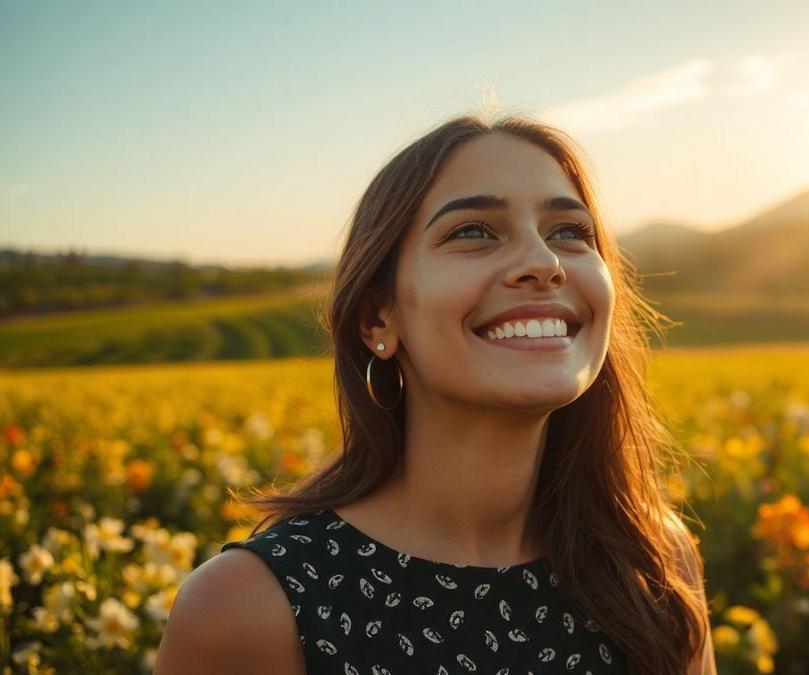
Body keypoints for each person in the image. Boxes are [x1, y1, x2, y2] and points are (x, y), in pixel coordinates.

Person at [153, 112, 715, 674]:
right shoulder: (248, 608)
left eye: (570, 233)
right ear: (378, 319)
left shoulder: (654, 562)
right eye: (473, 231)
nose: (543, 264)